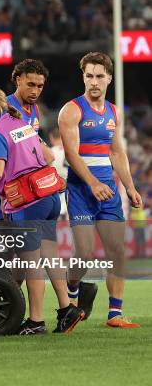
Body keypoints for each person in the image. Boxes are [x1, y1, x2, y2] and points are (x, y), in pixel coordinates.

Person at [0, 86, 84, 335]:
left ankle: (36, 322)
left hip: (27, 203)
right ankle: (67, 309)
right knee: (50, 255)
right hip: (48, 196)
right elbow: (47, 156)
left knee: (31, 264)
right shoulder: (20, 123)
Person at [58, 52, 143, 328]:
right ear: (83, 77)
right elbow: (71, 154)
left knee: (117, 250)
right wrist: (93, 184)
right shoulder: (71, 110)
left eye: (99, 76)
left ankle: (114, 314)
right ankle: (72, 295)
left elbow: (117, 152)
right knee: (84, 254)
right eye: (89, 76)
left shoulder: (113, 112)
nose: (94, 82)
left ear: (109, 78)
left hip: (108, 191)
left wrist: (130, 187)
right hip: (82, 190)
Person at [6, 59, 54, 164]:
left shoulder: (35, 109)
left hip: (29, 169)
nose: (34, 91)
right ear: (18, 81)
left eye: (39, 86)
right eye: (30, 85)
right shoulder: (5, 107)